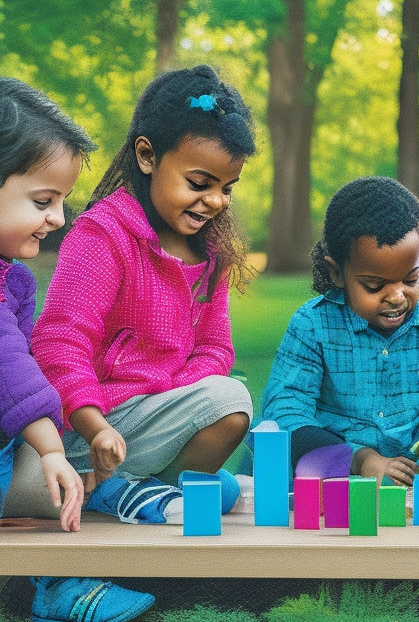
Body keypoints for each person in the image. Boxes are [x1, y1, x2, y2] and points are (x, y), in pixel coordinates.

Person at [31, 65, 255, 525]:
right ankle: (124, 486)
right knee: (223, 463)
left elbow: (215, 348)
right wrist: (95, 425)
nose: (215, 201)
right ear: (148, 156)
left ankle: (143, 488)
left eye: (226, 188)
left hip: (156, 413)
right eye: (199, 183)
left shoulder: (211, 252)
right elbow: (60, 344)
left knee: (230, 402)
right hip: (89, 425)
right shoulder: (102, 235)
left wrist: (173, 389)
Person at [0, 77, 155, 622]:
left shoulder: (13, 280)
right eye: (43, 201)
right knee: (54, 470)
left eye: (61, 201)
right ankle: (57, 581)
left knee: (57, 467)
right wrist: (47, 449)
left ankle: (109, 493)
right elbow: (8, 367)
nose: (59, 219)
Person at [260, 176, 419, 487]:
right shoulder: (312, 325)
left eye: (410, 280)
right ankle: (363, 478)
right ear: (337, 273)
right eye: (374, 285)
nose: (397, 296)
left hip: (415, 456)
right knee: (278, 438)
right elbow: (286, 408)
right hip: (342, 457)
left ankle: (416, 483)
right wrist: (361, 459)